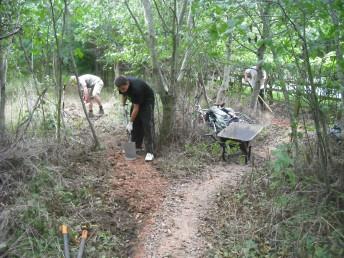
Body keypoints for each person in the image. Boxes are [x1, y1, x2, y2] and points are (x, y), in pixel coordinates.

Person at [114, 75, 155, 161]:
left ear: (127, 83)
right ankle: (137, 147)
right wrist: (123, 105)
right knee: (136, 124)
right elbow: (124, 95)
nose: (122, 90)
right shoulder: (122, 84)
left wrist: (130, 122)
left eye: (124, 88)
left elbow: (136, 108)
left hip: (147, 102)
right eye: (120, 89)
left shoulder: (136, 88)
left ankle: (150, 152)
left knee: (147, 125)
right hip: (137, 102)